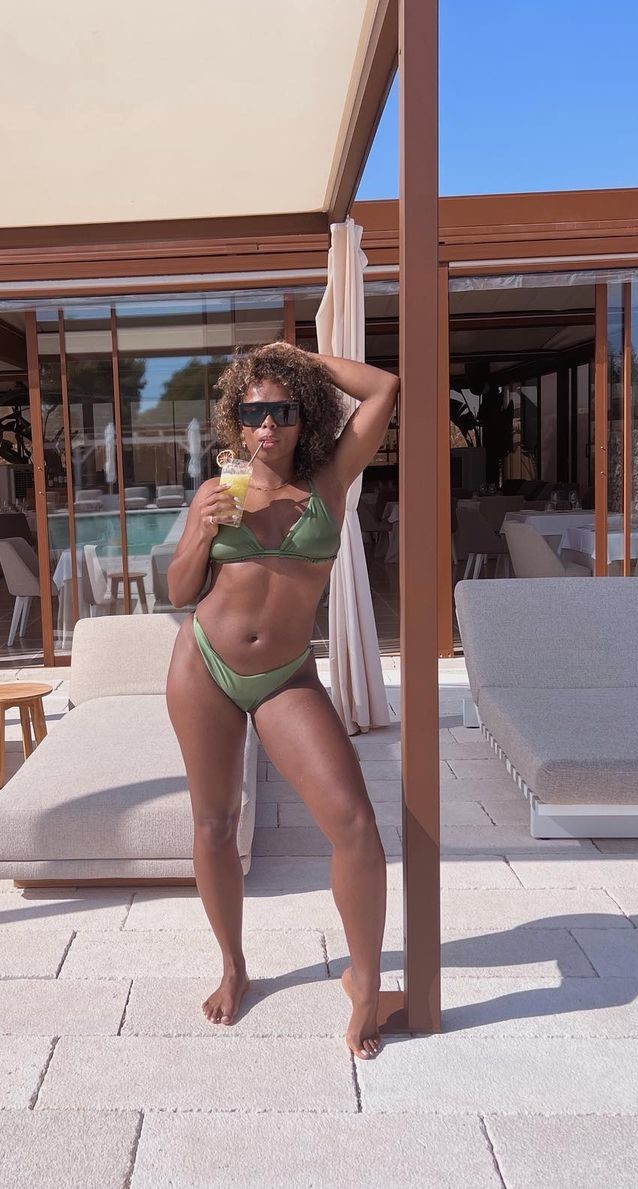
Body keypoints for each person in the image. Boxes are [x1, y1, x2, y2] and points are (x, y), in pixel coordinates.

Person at [165, 340, 400, 1061]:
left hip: (286, 675)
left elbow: (384, 387)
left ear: (306, 418)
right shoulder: (216, 491)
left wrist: (295, 356)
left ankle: (365, 984)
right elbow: (179, 591)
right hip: (204, 664)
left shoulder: (329, 481)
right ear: (236, 422)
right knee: (214, 824)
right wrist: (201, 532)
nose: (266, 424)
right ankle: (233, 966)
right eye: (252, 411)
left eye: (282, 410)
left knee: (354, 824)